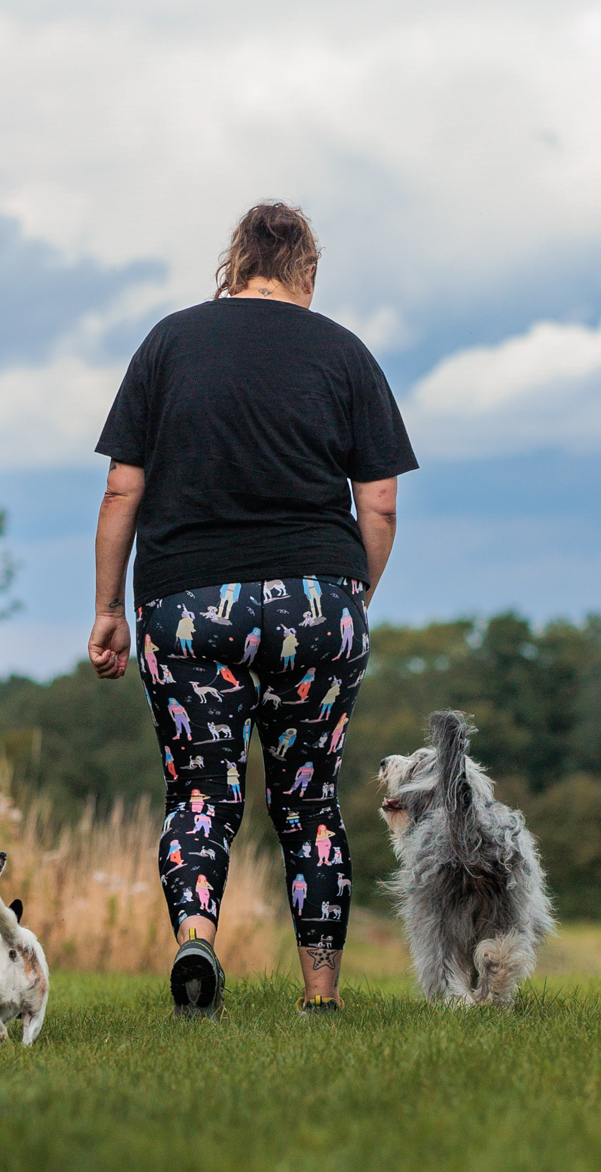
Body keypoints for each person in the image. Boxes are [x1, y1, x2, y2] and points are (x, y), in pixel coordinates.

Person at [88, 201, 417, 1018]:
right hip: (318, 600)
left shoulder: (169, 342)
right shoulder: (344, 351)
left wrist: (107, 608)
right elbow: (378, 505)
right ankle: (320, 994)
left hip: (188, 601)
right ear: (308, 271)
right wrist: (351, 599)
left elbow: (122, 486)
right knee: (310, 802)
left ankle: (197, 938)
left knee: (201, 790)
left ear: (234, 265)